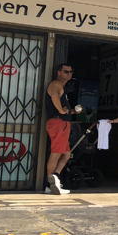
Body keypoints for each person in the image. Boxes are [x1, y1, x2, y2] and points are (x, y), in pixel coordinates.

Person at [45, 63, 77, 195]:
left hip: (62, 122)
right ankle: (49, 184)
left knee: (66, 153)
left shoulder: (61, 86)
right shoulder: (56, 84)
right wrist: (60, 110)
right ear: (59, 72)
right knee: (57, 152)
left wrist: (71, 111)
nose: (69, 74)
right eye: (66, 71)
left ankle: (55, 177)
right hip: (58, 122)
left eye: (71, 72)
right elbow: (54, 96)